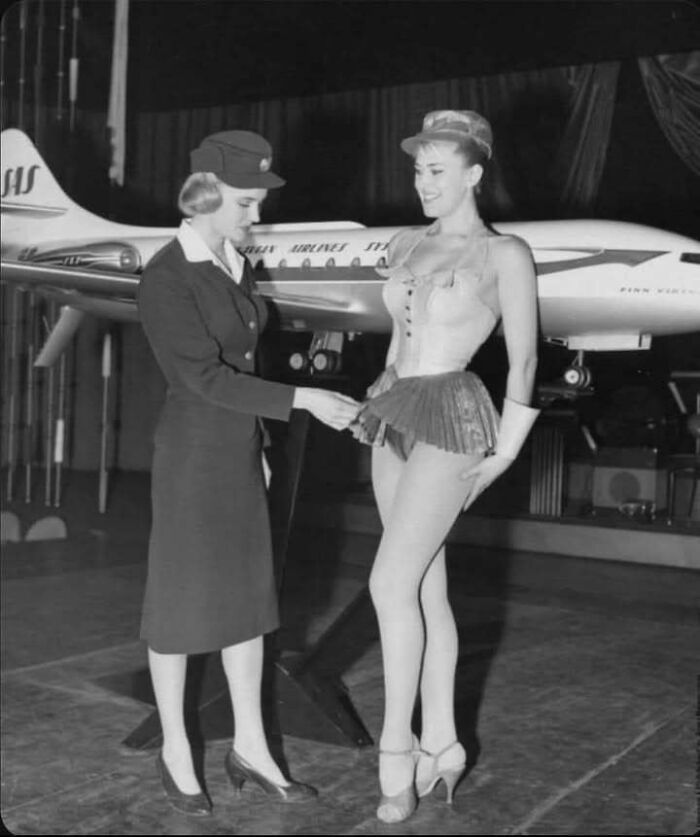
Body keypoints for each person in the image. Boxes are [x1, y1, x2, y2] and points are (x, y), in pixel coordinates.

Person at [138, 130, 359, 816]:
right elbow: (201, 375)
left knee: (248, 603)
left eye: (257, 201)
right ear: (204, 195)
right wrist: (303, 400)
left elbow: (245, 366)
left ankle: (252, 747)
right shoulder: (167, 276)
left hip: (237, 448)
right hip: (192, 454)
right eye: (244, 202)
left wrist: (261, 439)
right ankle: (177, 748)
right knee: (178, 607)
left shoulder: (234, 261)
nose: (255, 215)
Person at [351, 110, 540, 823]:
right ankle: (446, 742)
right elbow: (399, 341)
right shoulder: (408, 242)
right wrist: (377, 384)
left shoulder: (505, 254)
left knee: (387, 582)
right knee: (425, 589)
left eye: (436, 170)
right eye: (417, 169)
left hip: (455, 418)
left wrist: (506, 453)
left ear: (474, 173)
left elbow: (524, 359)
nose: (422, 182)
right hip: (393, 413)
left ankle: (395, 752)